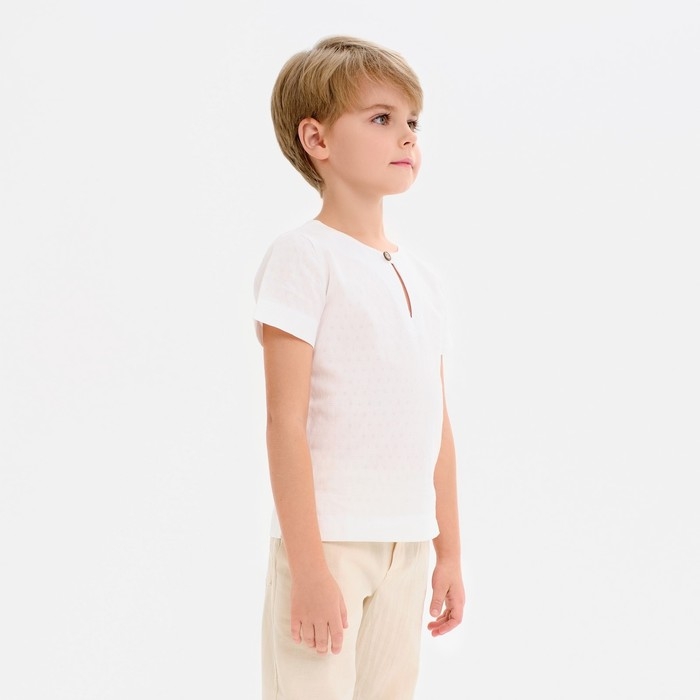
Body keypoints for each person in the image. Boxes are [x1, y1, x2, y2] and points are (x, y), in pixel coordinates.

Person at [253, 35, 465, 699]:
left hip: (409, 543)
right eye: (381, 118)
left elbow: (437, 425)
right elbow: (285, 422)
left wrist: (449, 551)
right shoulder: (303, 257)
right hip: (330, 544)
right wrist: (310, 570)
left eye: (412, 122)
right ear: (316, 138)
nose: (406, 136)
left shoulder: (424, 276)